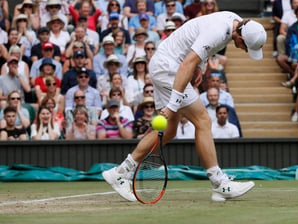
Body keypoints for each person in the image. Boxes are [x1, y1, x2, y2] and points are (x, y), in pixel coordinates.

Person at [102, 11, 265, 202]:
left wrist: (200, 67)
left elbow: (199, 45)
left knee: (169, 130)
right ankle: (219, 183)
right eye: (246, 47)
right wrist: (172, 106)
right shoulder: (218, 31)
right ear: (240, 35)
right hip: (168, 68)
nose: (245, 51)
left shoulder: (234, 21)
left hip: (164, 64)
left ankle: (120, 172)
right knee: (203, 120)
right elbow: (185, 65)